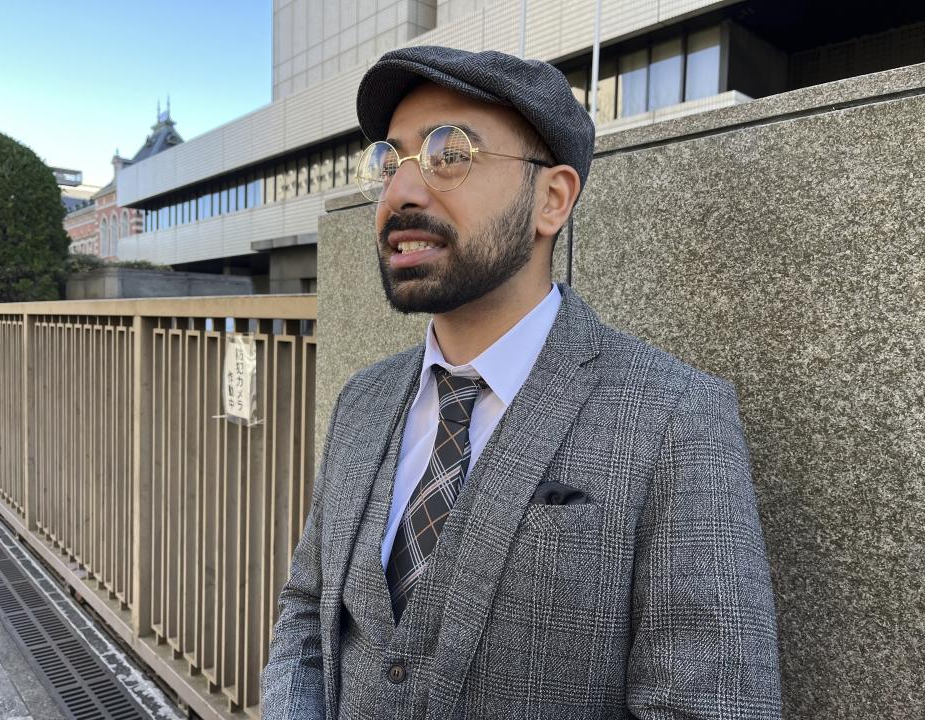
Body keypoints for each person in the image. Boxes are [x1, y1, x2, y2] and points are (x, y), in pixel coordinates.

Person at [261, 46, 781, 720]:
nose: (401, 191)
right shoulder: (363, 399)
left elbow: (711, 706)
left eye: (450, 152)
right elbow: (307, 609)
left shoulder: (676, 419)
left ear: (552, 199)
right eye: (389, 161)